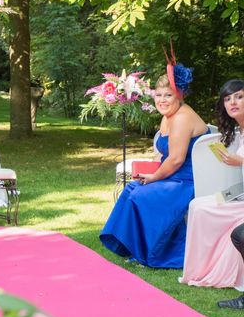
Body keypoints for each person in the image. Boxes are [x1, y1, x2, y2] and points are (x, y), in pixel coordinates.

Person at [100, 61, 209, 268]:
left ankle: (152, 253)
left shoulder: (182, 118)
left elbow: (176, 159)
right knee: (131, 189)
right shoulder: (168, 117)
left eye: (168, 95)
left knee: (142, 195)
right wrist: (148, 170)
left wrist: (155, 177)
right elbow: (163, 155)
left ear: (180, 95)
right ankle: (133, 248)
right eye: (158, 95)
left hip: (188, 181)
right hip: (173, 175)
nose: (162, 100)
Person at [180, 79, 244, 290]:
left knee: (207, 210)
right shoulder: (240, 131)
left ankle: (213, 271)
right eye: (227, 99)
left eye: (239, 97)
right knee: (197, 204)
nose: (233, 102)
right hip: (240, 192)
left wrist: (241, 161)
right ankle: (197, 270)